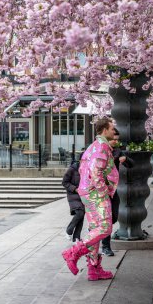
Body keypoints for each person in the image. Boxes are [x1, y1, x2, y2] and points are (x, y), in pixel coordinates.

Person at [62, 118, 119, 281]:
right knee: (105, 228)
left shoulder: (94, 146)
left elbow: (83, 168)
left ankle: (94, 268)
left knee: (96, 229)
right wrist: (103, 191)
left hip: (88, 193)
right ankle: (73, 253)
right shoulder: (102, 146)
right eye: (112, 129)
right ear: (104, 130)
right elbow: (95, 171)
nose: (114, 132)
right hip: (96, 194)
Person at [101, 128, 134, 256]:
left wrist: (125, 159)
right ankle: (105, 246)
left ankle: (100, 237)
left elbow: (131, 165)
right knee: (106, 219)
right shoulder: (101, 150)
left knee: (113, 217)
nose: (115, 142)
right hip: (100, 190)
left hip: (113, 191)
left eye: (117, 140)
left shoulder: (117, 151)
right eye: (113, 139)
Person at [62, 155, 85, 242]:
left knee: (81, 215)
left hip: (83, 196)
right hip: (73, 196)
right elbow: (64, 182)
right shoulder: (72, 169)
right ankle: (69, 230)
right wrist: (75, 189)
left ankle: (76, 238)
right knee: (79, 213)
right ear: (80, 160)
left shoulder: (87, 170)